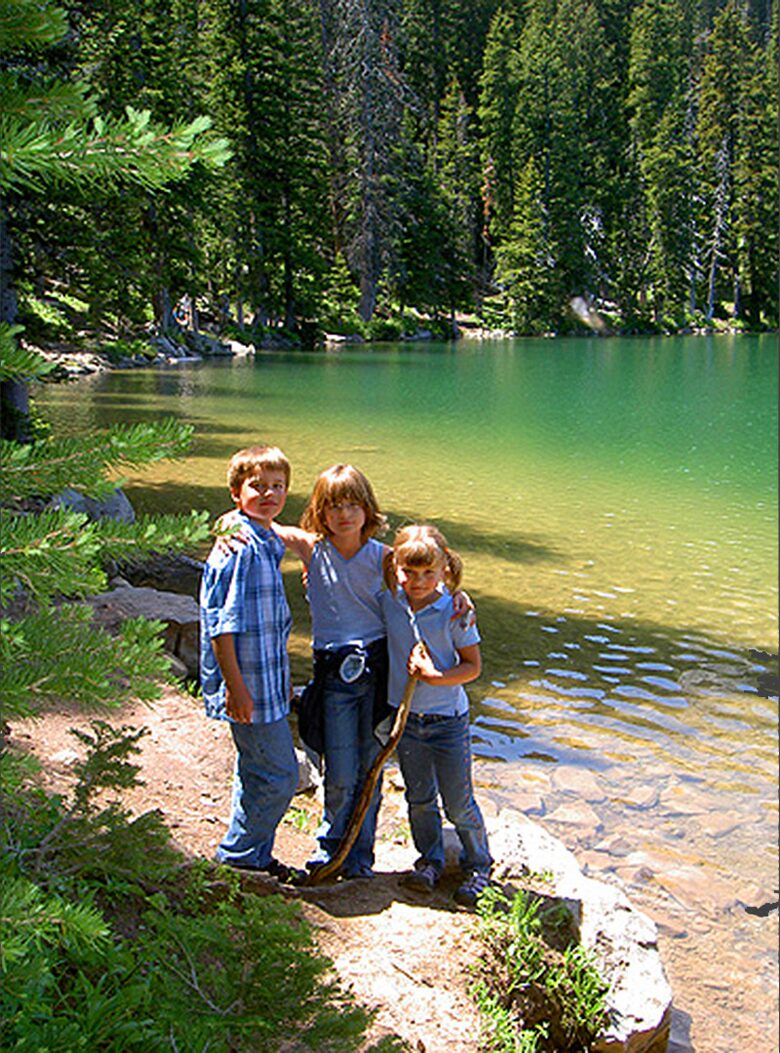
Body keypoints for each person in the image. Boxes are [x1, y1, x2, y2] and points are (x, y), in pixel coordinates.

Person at [199, 444, 305, 884]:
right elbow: (222, 626)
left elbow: (274, 528)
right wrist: (235, 688)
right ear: (235, 491)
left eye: (277, 487)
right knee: (282, 775)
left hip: (265, 678)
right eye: (257, 486)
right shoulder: (240, 547)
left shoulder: (258, 535)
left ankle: (254, 855)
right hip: (249, 684)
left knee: (255, 770)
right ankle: (239, 855)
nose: (269, 494)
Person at [381, 524, 493, 908]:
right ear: (396, 568)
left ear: (445, 570)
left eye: (429, 573)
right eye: (409, 572)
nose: (418, 581)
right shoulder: (391, 601)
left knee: (458, 800)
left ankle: (478, 865)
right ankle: (430, 860)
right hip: (408, 719)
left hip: (448, 720)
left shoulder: (454, 611)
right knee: (420, 797)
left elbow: (473, 667)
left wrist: (434, 677)